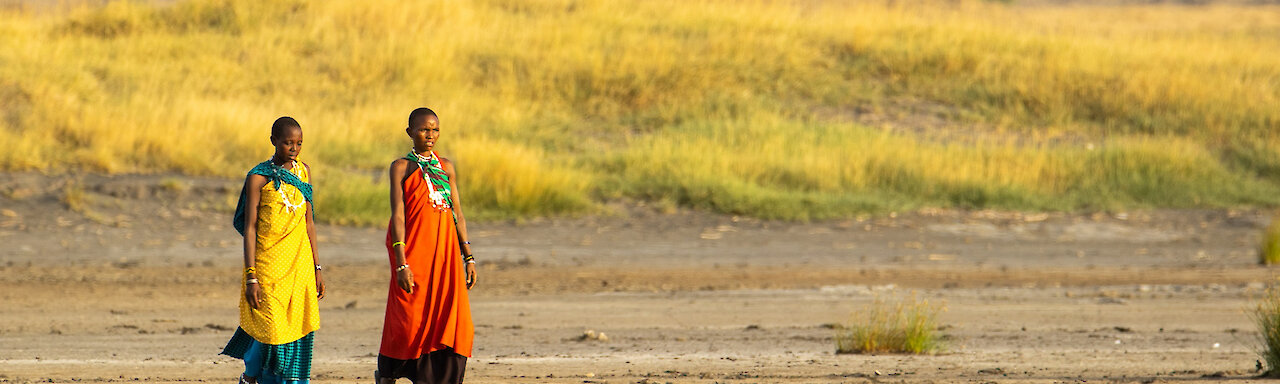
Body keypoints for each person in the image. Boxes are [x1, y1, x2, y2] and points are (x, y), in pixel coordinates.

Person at [221, 116, 326, 384]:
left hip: (300, 264)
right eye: (288, 142)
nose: (294, 148)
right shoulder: (258, 177)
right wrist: (251, 276)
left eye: (299, 143)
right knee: (271, 328)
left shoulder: (304, 172)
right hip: (267, 265)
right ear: (274, 142)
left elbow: (309, 223)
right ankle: (250, 375)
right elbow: (250, 228)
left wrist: (317, 268)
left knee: (296, 327)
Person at [376, 108, 476, 384]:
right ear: (410, 132)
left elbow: (457, 213)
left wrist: (469, 257)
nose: (430, 135)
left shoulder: (446, 167)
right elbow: (397, 214)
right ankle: (388, 374)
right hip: (414, 254)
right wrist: (401, 262)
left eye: (434, 129)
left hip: (446, 258)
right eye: (423, 129)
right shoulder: (401, 167)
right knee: (408, 318)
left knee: (453, 319)